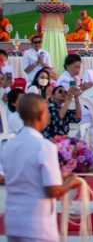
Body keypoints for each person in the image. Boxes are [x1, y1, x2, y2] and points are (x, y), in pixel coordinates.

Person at [0, 94, 85, 242]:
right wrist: (72, 182)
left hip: (13, 220)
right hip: (37, 223)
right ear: (42, 114)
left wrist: (60, 175)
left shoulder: (9, 146)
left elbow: (22, 176)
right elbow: (53, 191)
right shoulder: (44, 147)